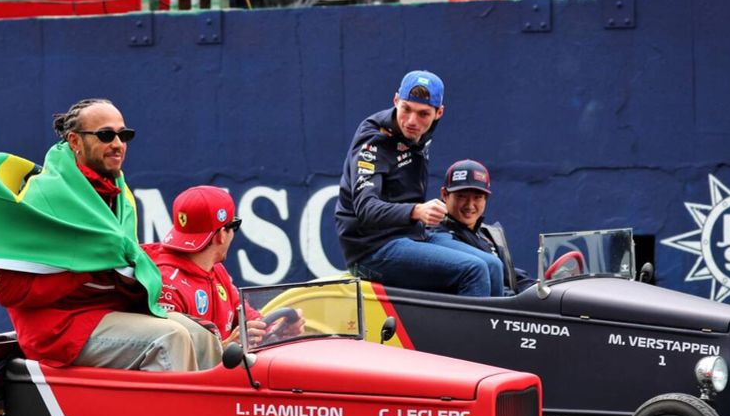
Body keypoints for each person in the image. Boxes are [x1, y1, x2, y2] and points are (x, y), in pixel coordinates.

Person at [0, 98, 221, 371]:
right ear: (74, 141)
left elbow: (118, 267)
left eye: (124, 135)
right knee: (170, 337)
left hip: (107, 316)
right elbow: (9, 292)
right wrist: (87, 266)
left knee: (203, 335)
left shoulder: (118, 197)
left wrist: (124, 276)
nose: (118, 144)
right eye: (106, 135)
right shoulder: (44, 196)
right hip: (59, 330)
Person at [333, 70, 504, 297]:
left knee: (493, 265)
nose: (412, 121)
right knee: (473, 270)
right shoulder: (374, 141)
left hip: (412, 235)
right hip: (372, 250)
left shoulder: (419, 133)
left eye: (423, 114)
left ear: (438, 113)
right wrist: (417, 211)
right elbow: (366, 209)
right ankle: (469, 333)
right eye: (406, 109)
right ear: (396, 101)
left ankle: (491, 332)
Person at [143, 185, 302, 347]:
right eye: (234, 225)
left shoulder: (215, 269)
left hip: (229, 370)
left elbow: (250, 318)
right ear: (221, 235)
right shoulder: (166, 285)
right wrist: (226, 347)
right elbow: (172, 357)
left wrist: (277, 330)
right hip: (213, 370)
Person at [437, 160, 535, 294]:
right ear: (444, 195)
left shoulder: (488, 233)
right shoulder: (437, 237)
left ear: (486, 198)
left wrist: (536, 288)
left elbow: (509, 274)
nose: (470, 205)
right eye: (461, 196)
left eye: (477, 197)